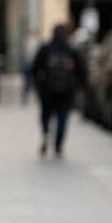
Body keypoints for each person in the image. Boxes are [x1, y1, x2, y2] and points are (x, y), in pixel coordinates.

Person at [32, 22, 87, 158]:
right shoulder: (71, 51)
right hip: (66, 92)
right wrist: (78, 86)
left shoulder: (46, 49)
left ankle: (45, 134)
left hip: (47, 92)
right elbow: (83, 71)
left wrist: (39, 86)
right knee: (62, 119)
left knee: (46, 116)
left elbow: (34, 69)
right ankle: (58, 146)